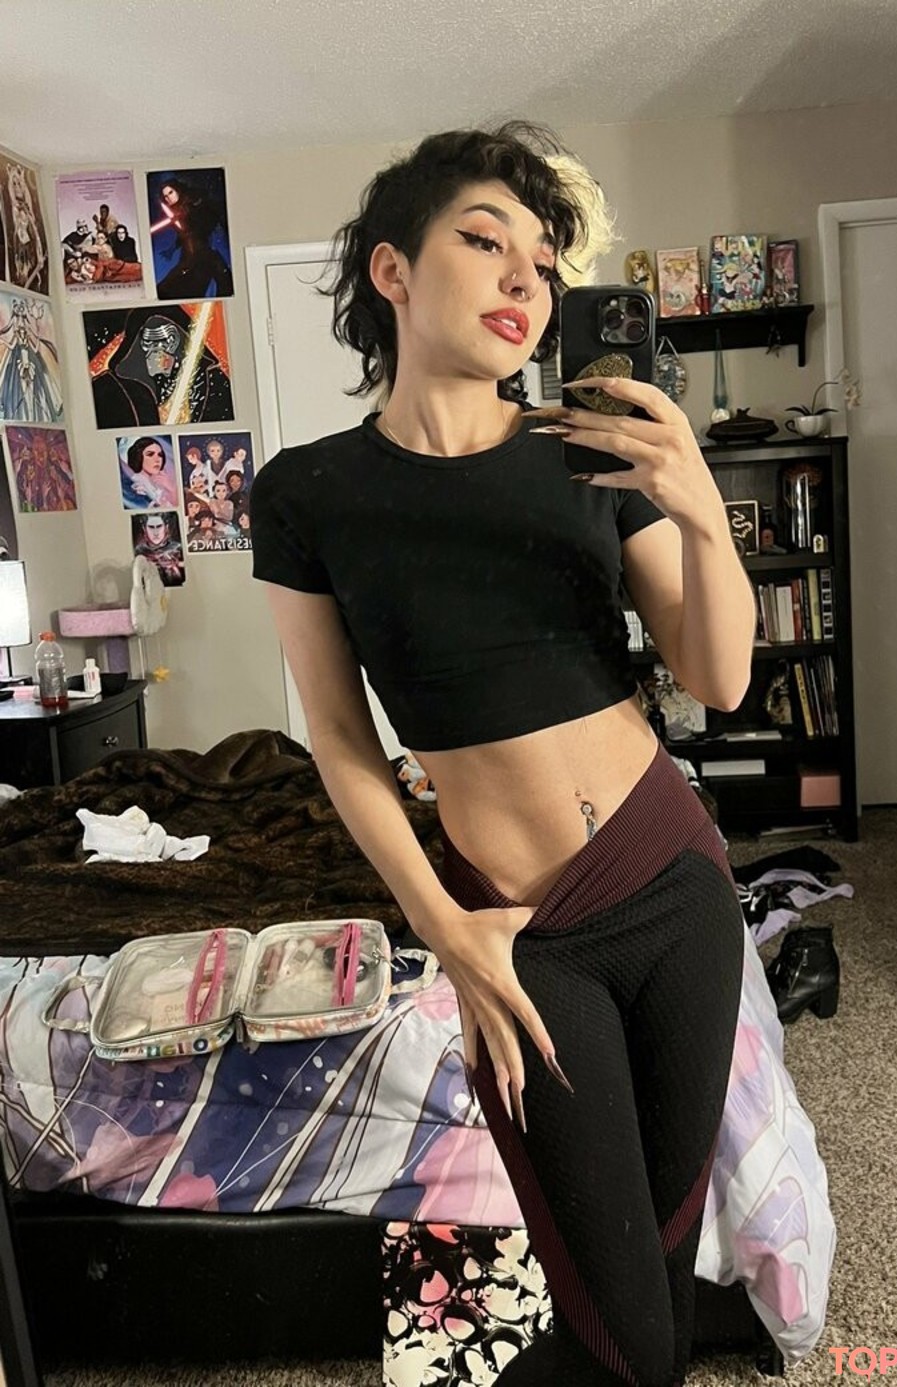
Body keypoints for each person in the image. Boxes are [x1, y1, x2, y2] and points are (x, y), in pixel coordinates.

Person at [250, 121, 756, 1387]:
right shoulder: (307, 494)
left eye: (543, 259)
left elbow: (720, 677)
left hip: (673, 878)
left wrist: (700, 510)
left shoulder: (588, 453)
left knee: (658, 1265)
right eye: (486, 241)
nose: (525, 276)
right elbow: (340, 739)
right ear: (392, 270)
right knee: (625, 1322)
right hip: (523, 930)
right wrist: (444, 926)